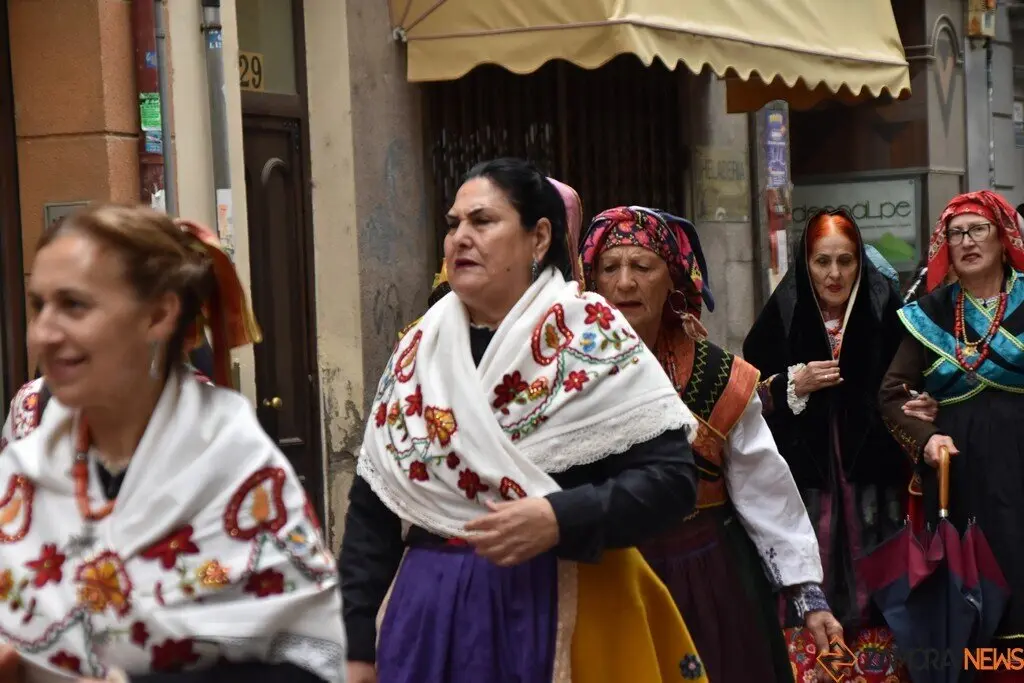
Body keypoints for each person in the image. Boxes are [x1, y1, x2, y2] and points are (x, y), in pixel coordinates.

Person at [340, 159, 709, 683]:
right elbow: (373, 509)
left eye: (482, 221)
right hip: (432, 618)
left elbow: (671, 482)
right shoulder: (419, 352)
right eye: (453, 224)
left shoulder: (591, 335)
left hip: (570, 608)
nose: (461, 237)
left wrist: (560, 518)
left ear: (538, 238)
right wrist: (356, 642)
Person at [0, 204, 345, 682]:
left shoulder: (234, 469)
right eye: (39, 306)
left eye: (74, 305)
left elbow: (304, 664)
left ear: (159, 313)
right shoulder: (25, 469)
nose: (44, 333)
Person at [579, 205, 840, 683]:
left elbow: (763, 486)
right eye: (609, 267)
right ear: (590, 281)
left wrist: (807, 592)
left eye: (642, 266)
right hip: (605, 573)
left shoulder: (718, 376)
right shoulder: (565, 372)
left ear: (673, 279)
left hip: (705, 575)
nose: (625, 282)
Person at [743, 209, 935, 682]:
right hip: (804, 487)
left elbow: (918, 383)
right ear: (805, 264)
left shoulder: (888, 317)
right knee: (808, 571)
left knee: (878, 579)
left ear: (859, 263)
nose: (834, 274)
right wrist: (792, 384)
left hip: (875, 491)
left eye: (845, 261)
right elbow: (746, 402)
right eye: (822, 261)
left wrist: (923, 404)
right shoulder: (780, 319)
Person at [879, 190, 1024, 680]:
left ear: (1003, 239)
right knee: (973, 592)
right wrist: (926, 436)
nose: (966, 241)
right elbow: (893, 393)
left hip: (1019, 465)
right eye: (956, 233)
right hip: (961, 475)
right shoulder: (930, 314)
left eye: (978, 229)